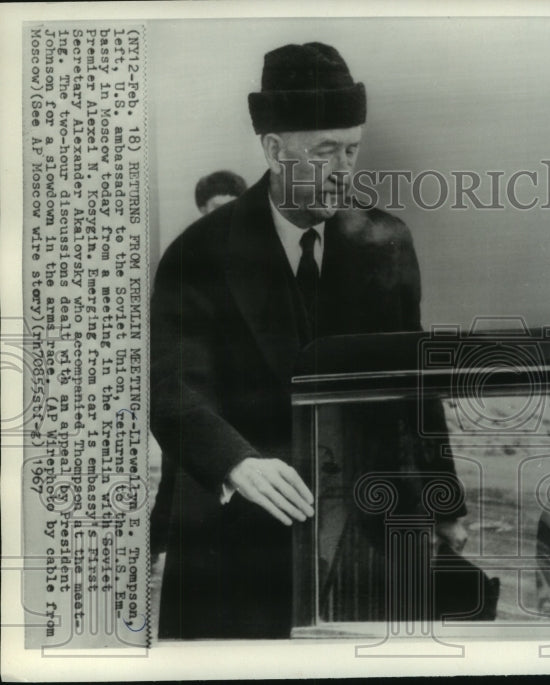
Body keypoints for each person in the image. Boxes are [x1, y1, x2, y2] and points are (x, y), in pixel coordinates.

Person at [150, 42, 466, 639]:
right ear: (274, 149)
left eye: (351, 149)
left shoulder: (387, 241)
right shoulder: (197, 255)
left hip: (363, 532)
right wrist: (236, 461)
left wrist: (445, 504)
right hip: (239, 538)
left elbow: (414, 384)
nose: (343, 170)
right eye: (324, 151)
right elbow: (172, 388)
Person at [150, 170, 250, 559]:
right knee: (179, 478)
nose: (220, 218)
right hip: (196, 388)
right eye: (212, 211)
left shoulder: (255, 257)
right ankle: (156, 550)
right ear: (200, 212)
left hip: (238, 391)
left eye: (229, 211)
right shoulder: (186, 259)